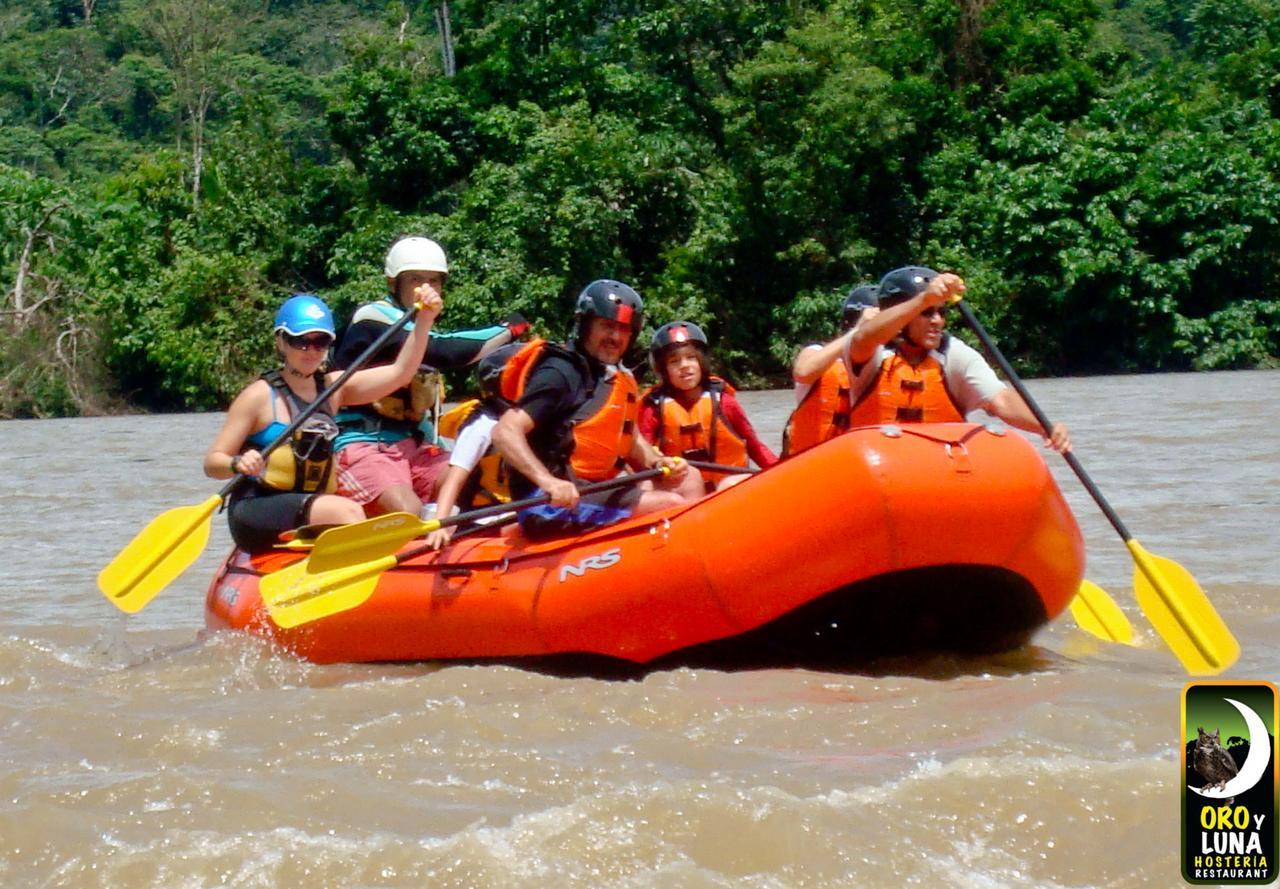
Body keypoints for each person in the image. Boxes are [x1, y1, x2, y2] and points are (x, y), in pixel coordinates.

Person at [204, 291, 443, 553]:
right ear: (281, 342)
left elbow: (400, 373)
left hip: (312, 502)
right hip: (257, 506)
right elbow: (212, 463)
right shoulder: (257, 397)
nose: (311, 350)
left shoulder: (333, 388)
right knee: (348, 512)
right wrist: (237, 463)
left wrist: (424, 321)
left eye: (320, 342)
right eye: (300, 341)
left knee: (349, 511)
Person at [331, 236, 528, 518]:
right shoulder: (373, 316)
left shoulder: (417, 327)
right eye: (415, 279)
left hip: (412, 444)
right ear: (392, 283)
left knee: (470, 481)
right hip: (360, 444)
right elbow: (444, 350)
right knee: (406, 510)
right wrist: (509, 328)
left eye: (434, 281)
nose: (426, 288)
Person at [490, 279, 704, 538]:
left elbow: (628, 434)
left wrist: (657, 461)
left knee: (689, 478)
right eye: (606, 326)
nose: (615, 337)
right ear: (585, 326)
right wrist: (549, 482)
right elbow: (505, 431)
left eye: (623, 329)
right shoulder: (560, 373)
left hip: (592, 489)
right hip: (550, 503)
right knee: (671, 505)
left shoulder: (610, 375)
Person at [844, 266, 1071, 451]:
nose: (937, 321)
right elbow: (864, 336)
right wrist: (923, 299)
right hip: (877, 468)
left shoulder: (953, 354)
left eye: (941, 312)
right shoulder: (872, 352)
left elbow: (1001, 400)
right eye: (926, 313)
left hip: (937, 469)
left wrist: (1044, 426)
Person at [639, 320, 777, 489]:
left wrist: (780, 471)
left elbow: (754, 446)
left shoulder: (724, 402)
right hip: (684, 491)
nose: (684, 366)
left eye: (691, 358)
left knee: (728, 484)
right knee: (683, 484)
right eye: (674, 361)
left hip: (728, 487)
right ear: (664, 369)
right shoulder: (653, 408)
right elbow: (640, 456)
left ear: (701, 362)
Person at [782, 284, 880, 456]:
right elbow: (803, 373)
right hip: (809, 462)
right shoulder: (816, 352)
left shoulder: (886, 365)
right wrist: (859, 331)